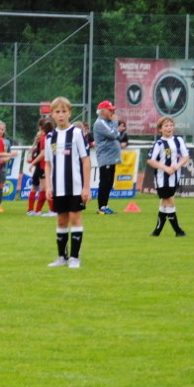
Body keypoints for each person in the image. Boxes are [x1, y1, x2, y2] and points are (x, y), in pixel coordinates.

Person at [43, 97, 91, 268]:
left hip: (76, 187)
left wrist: (86, 187)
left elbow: (86, 161)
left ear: (70, 113)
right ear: (52, 114)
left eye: (64, 111)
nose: (61, 115)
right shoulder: (50, 137)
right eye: (57, 112)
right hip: (58, 187)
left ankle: (74, 258)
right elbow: (48, 164)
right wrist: (48, 186)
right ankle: (62, 257)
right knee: (61, 220)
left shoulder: (76, 133)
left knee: (75, 218)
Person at [145, 116, 190, 237]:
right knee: (169, 201)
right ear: (160, 129)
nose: (169, 128)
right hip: (162, 179)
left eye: (171, 125)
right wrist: (165, 168)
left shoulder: (179, 140)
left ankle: (157, 232)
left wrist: (177, 166)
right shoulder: (159, 143)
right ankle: (178, 231)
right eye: (166, 126)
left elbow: (186, 156)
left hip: (175, 177)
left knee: (164, 203)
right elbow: (150, 160)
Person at [93, 100, 122, 214]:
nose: (112, 112)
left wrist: (114, 125)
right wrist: (115, 122)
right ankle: (101, 207)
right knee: (105, 182)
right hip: (106, 157)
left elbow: (117, 134)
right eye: (110, 110)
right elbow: (114, 134)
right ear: (102, 111)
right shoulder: (100, 123)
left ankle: (105, 205)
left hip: (111, 157)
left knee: (109, 183)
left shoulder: (107, 122)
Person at [26, 117, 55, 216]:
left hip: (43, 166)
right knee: (44, 188)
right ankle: (37, 211)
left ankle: (50, 210)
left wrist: (32, 163)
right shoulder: (52, 136)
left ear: (40, 127)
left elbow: (43, 153)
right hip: (44, 166)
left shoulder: (45, 138)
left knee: (44, 188)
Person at [0, 120, 14, 212]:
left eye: (2, 129)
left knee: (0, 186)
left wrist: (5, 159)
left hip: (2, 167)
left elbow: (8, 154)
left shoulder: (6, 142)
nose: (1, 131)